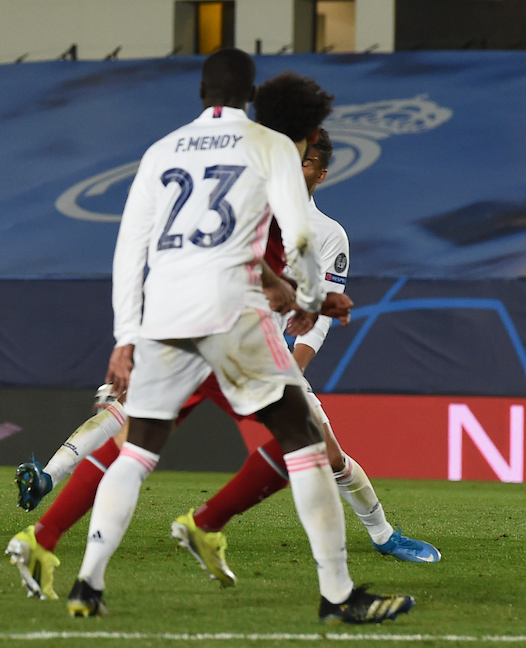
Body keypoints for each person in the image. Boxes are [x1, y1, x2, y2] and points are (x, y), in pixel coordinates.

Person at [6, 127, 437, 602]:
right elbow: (245, 270)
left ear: (321, 172)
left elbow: (249, 279)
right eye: (291, 158)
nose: (296, 168)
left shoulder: (323, 232)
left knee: (141, 446)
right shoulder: (252, 200)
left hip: (218, 337)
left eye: (307, 162)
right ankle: (325, 587)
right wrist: (306, 299)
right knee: (150, 434)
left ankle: (71, 563)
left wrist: (298, 345)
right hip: (229, 339)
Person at [65, 50, 413, 624]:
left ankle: (88, 583)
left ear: (201, 89)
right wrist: (306, 299)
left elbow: (130, 250)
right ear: (251, 93)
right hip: (233, 308)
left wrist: (126, 336)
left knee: (136, 451)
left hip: (165, 316)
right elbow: (300, 238)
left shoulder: (160, 152)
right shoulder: (269, 144)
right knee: (304, 442)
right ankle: (337, 594)